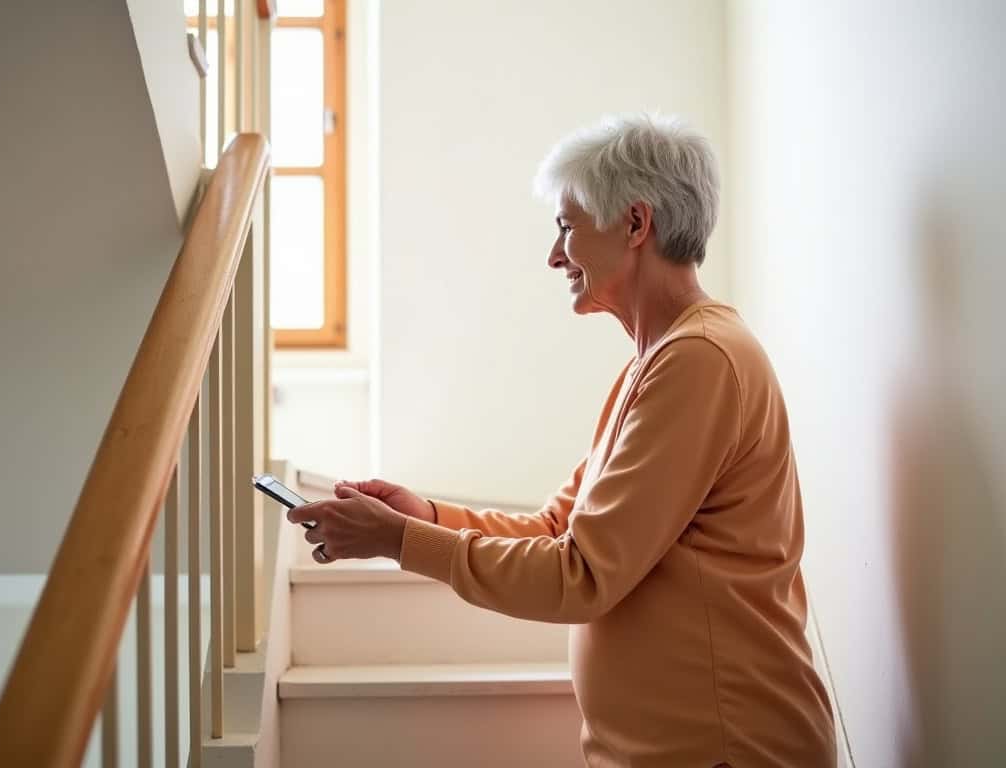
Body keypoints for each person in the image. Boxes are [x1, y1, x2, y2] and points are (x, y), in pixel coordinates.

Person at [288, 114, 836, 767]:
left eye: (567, 227)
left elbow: (580, 577)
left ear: (636, 224)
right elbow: (558, 528)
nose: (555, 255)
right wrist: (423, 517)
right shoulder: (659, 363)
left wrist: (397, 541)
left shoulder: (701, 361)